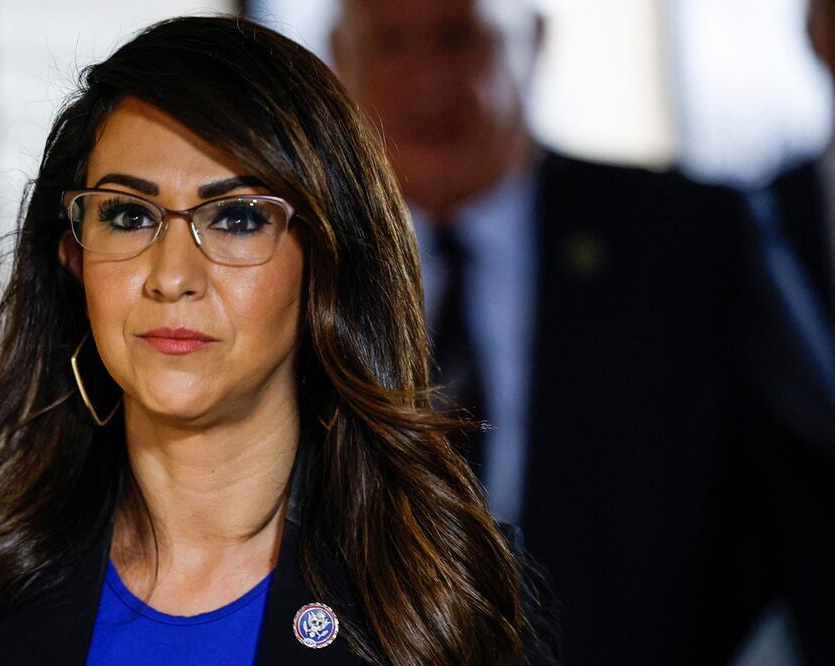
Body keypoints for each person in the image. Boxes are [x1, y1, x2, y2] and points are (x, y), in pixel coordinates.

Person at [0, 16, 559, 666]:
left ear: (324, 262)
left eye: (235, 218)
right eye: (128, 214)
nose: (172, 277)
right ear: (74, 259)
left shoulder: (447, 602)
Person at [333, 0, 835, 664]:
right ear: (338, 61)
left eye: (460, 40)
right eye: (389, 44)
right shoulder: (296, 266)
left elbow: (814, 504)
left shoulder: (689, 237)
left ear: (534, 43)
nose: (427, 81)